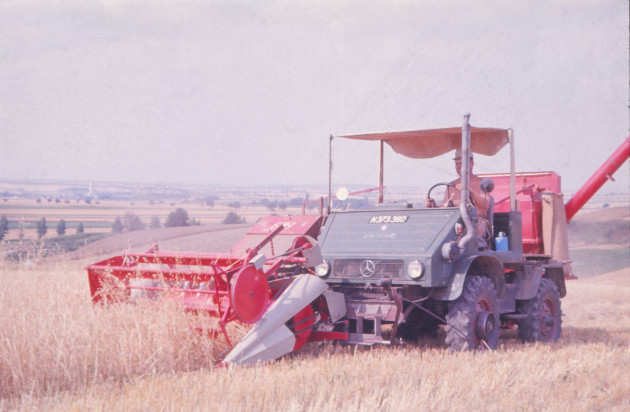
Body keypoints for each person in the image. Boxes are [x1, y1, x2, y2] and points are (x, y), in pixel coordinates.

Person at [425, 148, 491, 215]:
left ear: (471, 164)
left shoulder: (482, 183)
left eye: (462, 163)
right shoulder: (451, 185)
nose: (459, 166)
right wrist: (434, 206)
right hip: (457, 222)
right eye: (456, 163)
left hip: (478, 222)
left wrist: (470, 191)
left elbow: (486, 205)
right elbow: (444, 208)